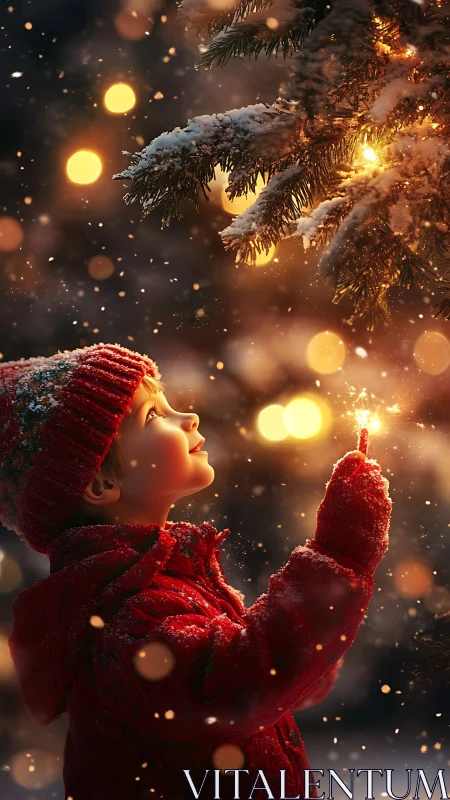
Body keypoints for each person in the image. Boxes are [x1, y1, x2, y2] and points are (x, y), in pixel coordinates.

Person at [1, 343, 392, 800]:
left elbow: (266, 679)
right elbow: (243, 682)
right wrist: (341, 553)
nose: (187, 418)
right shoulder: (130, 615)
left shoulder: (162, 577)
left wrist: (313, 646)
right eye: (153, 416)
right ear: (100, 482)